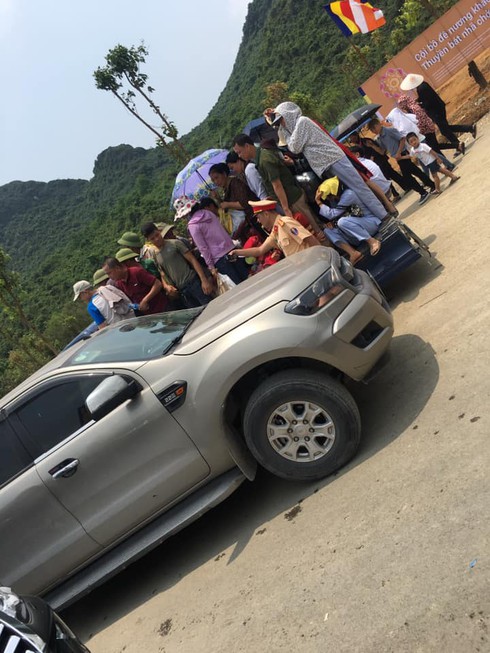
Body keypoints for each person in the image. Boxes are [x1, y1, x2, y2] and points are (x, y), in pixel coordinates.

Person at [268, 101, 394, 220]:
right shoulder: (294, 130)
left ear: (288, 115)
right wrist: (275, 122)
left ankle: (383, 215)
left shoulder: (302, 122)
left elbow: (294, 148)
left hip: (333, 159)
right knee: (352, 193)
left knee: (359, 187)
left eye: (281, 120)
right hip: (326, 165)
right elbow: (292, 146)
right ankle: (376, 217)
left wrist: (281, 129)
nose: (281, 124)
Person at [232, 133, 320, 230]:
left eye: (239, 152)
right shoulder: (261, 156)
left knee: (314, 229)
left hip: (292, 200)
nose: (239, 156)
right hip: (289, 200)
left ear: (247, 146)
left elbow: (277, 185)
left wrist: (286, 208)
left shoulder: (264, 160)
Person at [141, 221, 214, 308]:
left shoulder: (175, 243)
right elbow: (162, 273)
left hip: (193, 282)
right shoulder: (154, 254)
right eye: (152, 238)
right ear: (148, 240)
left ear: (159, 231)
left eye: (157, 235)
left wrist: (204, 280)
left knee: (210, 307)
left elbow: (192, 260)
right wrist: (166, 286)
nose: (156, 239)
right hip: (181, 291)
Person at [400, 73, 476, 154]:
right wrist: (419, 100)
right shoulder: (423, 85)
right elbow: (426, 98)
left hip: (436, 111)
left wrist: (420, 105)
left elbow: (428, 102)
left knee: (445, 130)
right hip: (438, 109)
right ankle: (465, 135)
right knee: (446, 129)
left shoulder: (421, 89)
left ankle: (460, 142)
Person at [367, 118, 435, 205]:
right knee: (416, 171)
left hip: (402, 154)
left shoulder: (389, 131)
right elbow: (382, 151)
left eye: (373, 128)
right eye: (371, 130)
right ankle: (431, 185)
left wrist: (398, 153)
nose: (373, 131)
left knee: (408, 178)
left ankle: (423, 192)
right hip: (398, 158)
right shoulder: (380, 138)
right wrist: (372, 146)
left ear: (378, 125)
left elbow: (402, 139)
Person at [315, 177, 382, 264]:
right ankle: (353, 253)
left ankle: (372, 241)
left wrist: (318, 201)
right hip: (355, 233)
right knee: (328, 231)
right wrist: (332, 224)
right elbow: (337, 216)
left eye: (329, 197)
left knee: (342, 222)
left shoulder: (348, 195)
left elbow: (332, 214)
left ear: (334, 193)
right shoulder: (336, 200)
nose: (329, 200)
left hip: (369, 224)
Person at [231, 199, 321, 260]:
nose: (258, 221)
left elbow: (309, 238)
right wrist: (237, 252)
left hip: (312, 261)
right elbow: (260, 250)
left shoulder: (285, 223)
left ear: (266, 214)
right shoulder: (276, 230)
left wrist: (322, 256)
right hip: (304, 267)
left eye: (258, 217)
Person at [187, 201, 249, 284]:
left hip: (219, 258)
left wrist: (211, 266)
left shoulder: (193, 225)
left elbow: (203, 248)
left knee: (238, 285)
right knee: (247, 278)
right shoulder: (209, 213)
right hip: (231, 249)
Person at [397, 94, 457, 169]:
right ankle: (449, 162)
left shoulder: (414, 108)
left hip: (427, 130)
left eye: (402, 104)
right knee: (435, 148)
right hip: (427, 130)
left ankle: (449, 164)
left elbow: (420, 121)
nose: (402, 107)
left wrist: (419, 132)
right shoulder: (411, 109)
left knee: (433, 149)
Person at [208, 162, 259, 239]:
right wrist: (217, 198)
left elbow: (245, 204)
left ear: (224, 174)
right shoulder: (226, 189)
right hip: (246, 226)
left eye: (217, 177)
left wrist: (228, 204)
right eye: (213, 180)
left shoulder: (235, 183)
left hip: (254, 220)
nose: (216, 182)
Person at [102, 257, 167, 315]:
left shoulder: (136, 272)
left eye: (109, 273)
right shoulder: (119, 283)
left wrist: (145, 300)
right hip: (148, 315)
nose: (109, 276)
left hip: (162, 308)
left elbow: (157, 284)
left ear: (117, 268)